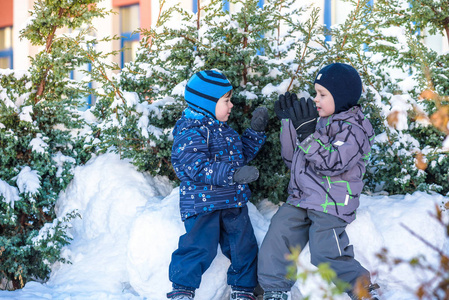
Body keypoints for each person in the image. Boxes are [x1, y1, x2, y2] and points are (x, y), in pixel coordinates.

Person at [258, 63, 379, 300]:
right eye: (315, 93)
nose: (316, 99)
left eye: (322, 94)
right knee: (278, 235)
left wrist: (307, 133)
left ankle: (361, 289)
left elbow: (333, 163)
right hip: (302, 198)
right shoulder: (319, 121)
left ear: (342, 97)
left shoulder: (353, 130)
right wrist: (290, 124)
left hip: (331, 203)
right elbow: (293, 159)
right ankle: (274, 289)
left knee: (326, 252)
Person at [167, 70, 269, 300]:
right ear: (207, 103)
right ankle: (182, 290)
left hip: (232, 201)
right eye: (226, 100)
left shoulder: (225, 131)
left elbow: (240, 156)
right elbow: (197, 167)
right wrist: (233, 174)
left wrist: (255, 133)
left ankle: (243, 290)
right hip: (203, 204)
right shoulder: (191, 132)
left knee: (243, 247)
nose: (231, 105)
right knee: (198, 247)